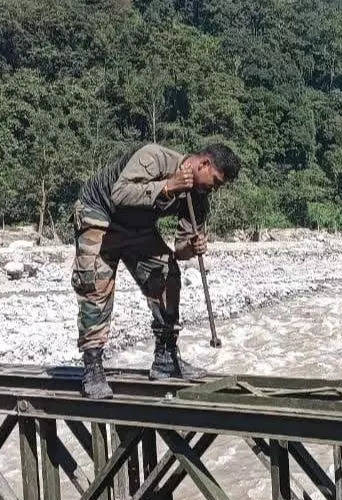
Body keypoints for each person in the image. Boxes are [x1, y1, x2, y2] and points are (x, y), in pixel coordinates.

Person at [72, 142, 240, 399]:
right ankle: (93, 368)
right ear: (204, 164)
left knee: (167, 273)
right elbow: (120, 193)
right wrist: (169, 186)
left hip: (138, 228)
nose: (214, 189)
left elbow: (180, 250)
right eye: (215, 182)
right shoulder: (155, 157)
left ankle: (166, 357)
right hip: (100, 212)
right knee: (95, 283)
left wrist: (192, 247)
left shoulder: (199, 198)